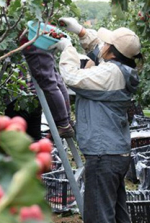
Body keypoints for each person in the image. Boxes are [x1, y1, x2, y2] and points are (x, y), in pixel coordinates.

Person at [52, 17, 143, 223]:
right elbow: (99, 52)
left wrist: (67, 48)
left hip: (103, 156)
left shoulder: (110, 73)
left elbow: (72, 77)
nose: (104, 45)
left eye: (108, 43)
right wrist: (82, 32)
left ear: (113, 52)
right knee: (117, 214)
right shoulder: (121, 68)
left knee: (99, 217)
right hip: (116, 153)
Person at [0, 0, 74, 138]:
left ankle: (63, 124)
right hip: (40, 34)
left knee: (46, 80)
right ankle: (66, 120)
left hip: (31, 38)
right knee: (53, 77)